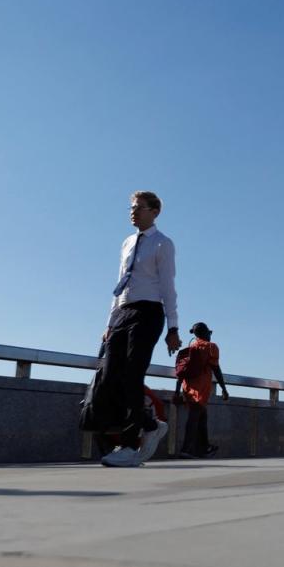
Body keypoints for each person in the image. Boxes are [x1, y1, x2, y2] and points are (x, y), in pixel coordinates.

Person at [98, 191, 180, 467]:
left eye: (139, 208)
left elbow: (168, 287)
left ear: (154, 211)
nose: (133, 212)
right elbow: (119, 283)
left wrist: (173, 327)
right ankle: (150, 424)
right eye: (131, 208)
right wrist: (110, 322)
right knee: (110, 376)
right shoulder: (127, 243)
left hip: (148, 312)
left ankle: (130, 446)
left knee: (133, 375)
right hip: (123, 310)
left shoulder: (162, 244)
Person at [175, 322, 229, 459]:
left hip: (187, 388)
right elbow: (216, 369)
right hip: (200, 390)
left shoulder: (190, 348)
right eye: (209, 333)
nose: (210, 336)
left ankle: (204, 448)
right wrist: (223, 388)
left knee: (202, 417)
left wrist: (177, 392)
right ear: (205, 333)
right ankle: (186, 449)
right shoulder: (211, 347)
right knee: (194, 418)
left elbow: (181, 372)